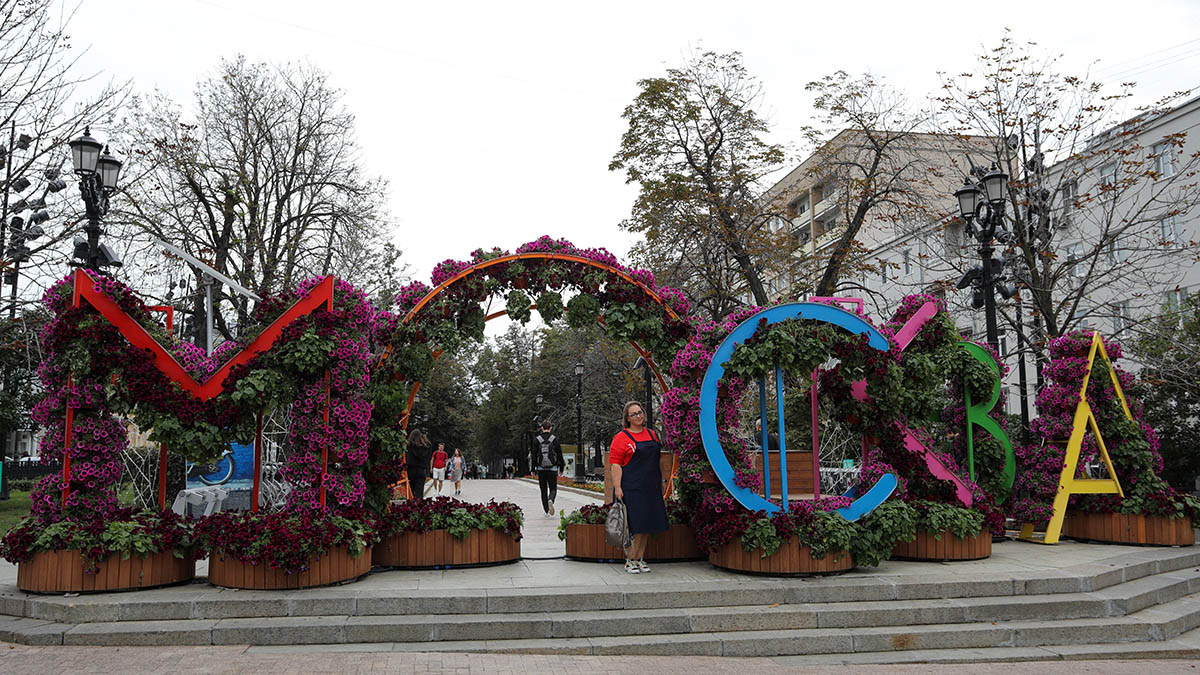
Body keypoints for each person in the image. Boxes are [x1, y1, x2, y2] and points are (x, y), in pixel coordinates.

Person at [609, 400, 669, 574]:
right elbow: (615, 465)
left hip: (651, 486)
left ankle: (639, 558)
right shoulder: (621, 438)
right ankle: (630, 560)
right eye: (634, 414)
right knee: (632, 526)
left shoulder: (652, 434)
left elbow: (659, 460)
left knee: (646, 525)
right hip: (631, 487)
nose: (638, 416)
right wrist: (618, 487)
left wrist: (664, 481)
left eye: (640, 412)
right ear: (627, 418)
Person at [531, 420, 565, 516]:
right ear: (550, 428)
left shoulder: (537, 440)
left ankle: (546, 511)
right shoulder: (554, 439)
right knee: (553, 488)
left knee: (543, 490)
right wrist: (561, 467)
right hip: (552, 468)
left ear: (542, 428)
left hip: (541, 469)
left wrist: (533, 469)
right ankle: (551, 499)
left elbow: (533, 455)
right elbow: (559, 454)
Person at [405, 429, 432, 500]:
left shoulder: (407, 446)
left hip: (410, 470)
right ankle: (419, 507)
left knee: (411, 492)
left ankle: (410, 507)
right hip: (420, 470)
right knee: (419, 493)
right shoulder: (424, 447)